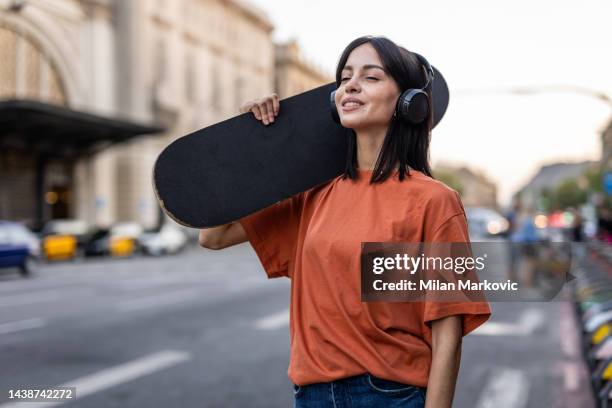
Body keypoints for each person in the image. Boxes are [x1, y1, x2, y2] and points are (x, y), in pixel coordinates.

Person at [199, 35, 491, 408]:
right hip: (312, 395)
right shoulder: (313, 195)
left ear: (408, 102)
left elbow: (447, 327)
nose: (351, 84)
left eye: (371, 77)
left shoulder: (433, 201)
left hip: (390, 395)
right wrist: (250, 141)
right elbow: (213, 235)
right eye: (345, 77)